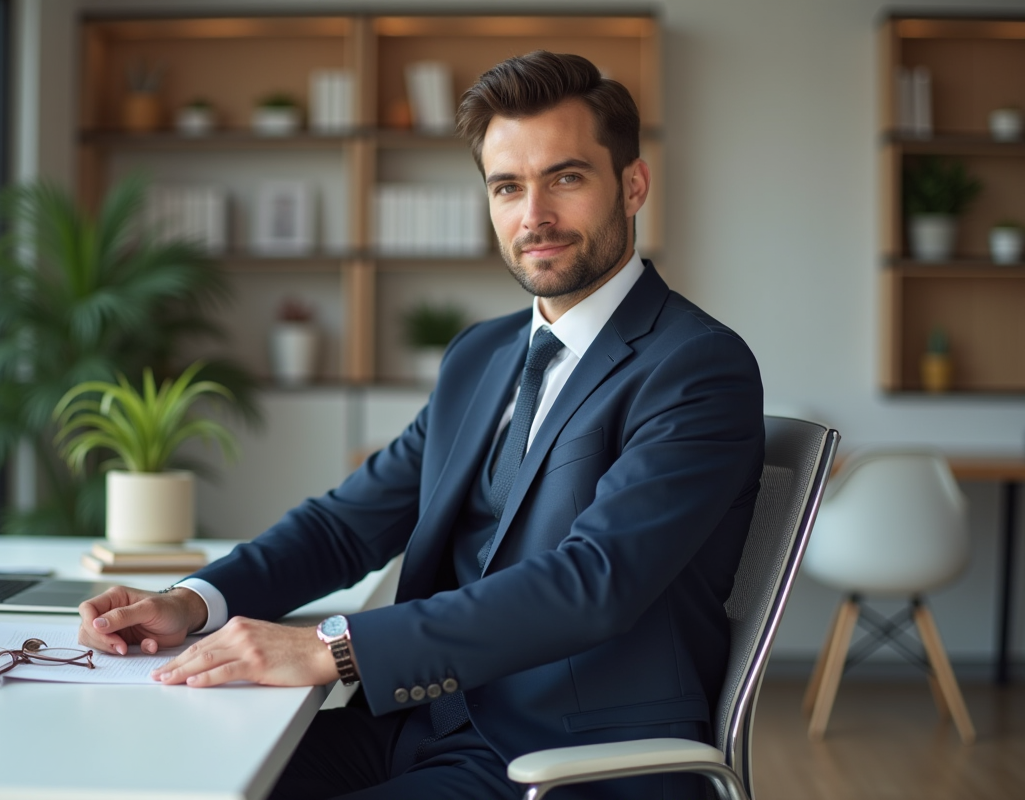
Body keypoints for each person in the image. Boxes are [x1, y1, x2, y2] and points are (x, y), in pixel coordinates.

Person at [78, 50, 764, 800]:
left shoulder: (695, 365)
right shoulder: (482, 356)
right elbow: (347, 525)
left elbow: (593, 582)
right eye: (507, 187)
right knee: (168, 776)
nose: (533, 216)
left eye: (566, 178)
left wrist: (333, 649)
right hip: (415, 726)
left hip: (570, 760)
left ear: (633, 185)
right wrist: (191, 602)